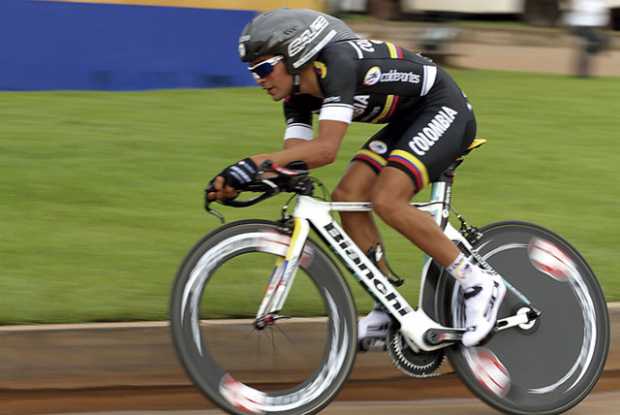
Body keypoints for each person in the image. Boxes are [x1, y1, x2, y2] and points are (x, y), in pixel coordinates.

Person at [207, 8, 505, 348]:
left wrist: (254, 162)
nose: (258, 79)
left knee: (387, 199)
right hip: (408, 119)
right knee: (347, 195)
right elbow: (298, 160)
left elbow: (325, 150)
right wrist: (244, 178)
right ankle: (387, 306)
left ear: (294, 54)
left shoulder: (337, 63)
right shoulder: (295, 95)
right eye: (253, 71)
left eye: (263, 68)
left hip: (443, 108)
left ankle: (478, 282)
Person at [565, 0, 610, 77]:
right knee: (591, 44)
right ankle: (583, 71)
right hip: (580, 26)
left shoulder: (598, 3)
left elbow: (602, 18)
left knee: (589, 47)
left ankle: (583, 70)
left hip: (587, 27)